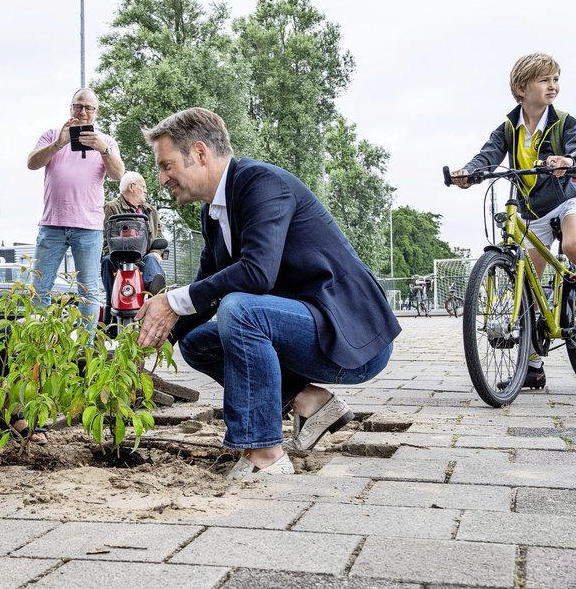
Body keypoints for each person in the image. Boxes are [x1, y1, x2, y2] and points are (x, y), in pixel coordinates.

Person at [136, 108, 400, 480]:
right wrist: (147, 343)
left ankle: (265, 453)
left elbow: (257, 274)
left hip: (352, 338)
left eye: (166, 165)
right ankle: (308, 400)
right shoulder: (213, 214)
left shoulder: (261, 184)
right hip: (308, 326)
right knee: (198, 342)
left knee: (240, 309)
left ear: (199, 153)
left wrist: (171, 300)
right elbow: (204, 294)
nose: (161, 179)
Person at [451, 52, 576, 389]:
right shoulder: (508, 127)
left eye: (556, 79)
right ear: (521, 88)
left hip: (568, 199)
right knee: (530, 286)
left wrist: (568, 159)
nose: (553, 86)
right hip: (531, 209)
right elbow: (487, 156)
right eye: (545, 80)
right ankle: (533, 366)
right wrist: (469, 173)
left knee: (575, 246)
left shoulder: (565, 122)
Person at [25, 88, 125, 321]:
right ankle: (39, 347)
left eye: (88, 108)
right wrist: (58, 144)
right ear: (70, 108)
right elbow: (31, 163)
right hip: (52, 224)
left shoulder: (106, 141)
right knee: (39, 289)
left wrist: (104, 150)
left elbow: (118, 174)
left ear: (96, 112)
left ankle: (85, 348)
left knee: (88, 292)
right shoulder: (52, 135)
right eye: (78, 106)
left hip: (88, 227)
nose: (82, 112)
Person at [101, 171, 167, 300]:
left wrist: (156, 252)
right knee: (107, 260)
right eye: (143, 187)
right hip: (118, 256)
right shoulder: (111, 208)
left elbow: (159, 235)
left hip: (144, 257)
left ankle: (157, 297)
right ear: (131, 187)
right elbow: (106, 238)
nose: (146, 191)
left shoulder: (151, 211)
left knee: (152, 259)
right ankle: (111, 302)